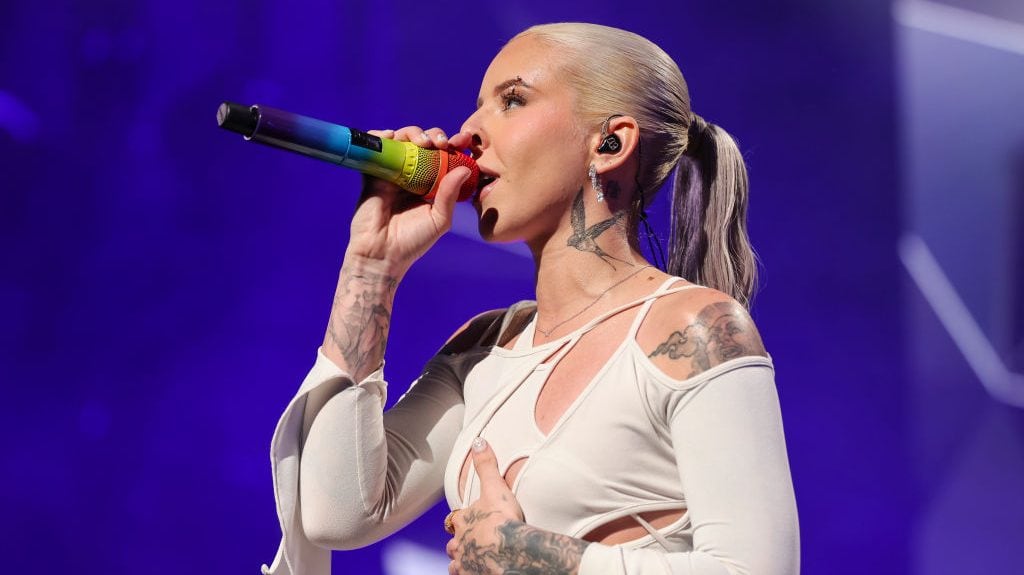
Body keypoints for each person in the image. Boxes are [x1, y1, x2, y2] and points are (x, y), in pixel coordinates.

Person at [261, 22, 799, 575]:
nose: (468, 132)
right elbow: (336, 514)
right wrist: (372, 267)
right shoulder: (485, 348)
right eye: (477, 107)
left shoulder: (692, 328)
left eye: (512, 100)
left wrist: (530, 556)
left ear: (610, 143)